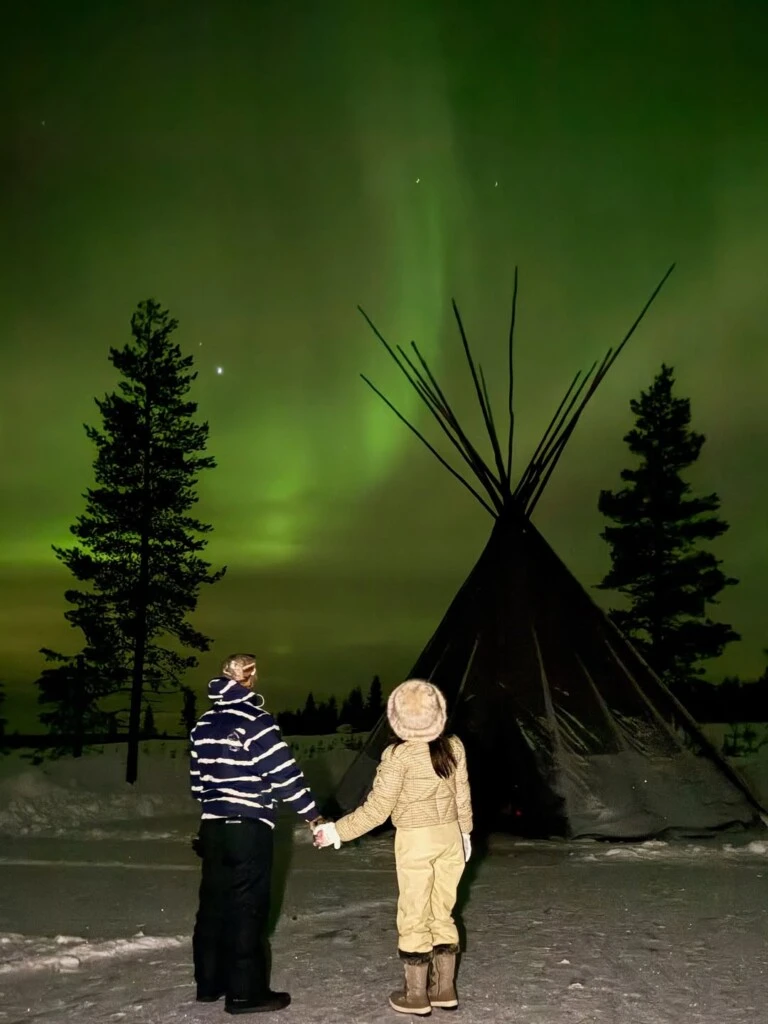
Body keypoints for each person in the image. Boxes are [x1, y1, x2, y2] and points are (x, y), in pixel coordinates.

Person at [314, 679, 473, 1016]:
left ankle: (416, 996)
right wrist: (465, 833)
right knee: (442, 910)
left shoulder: (398, 755)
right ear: (438, 714)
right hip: (450, 837)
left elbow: (377, 809)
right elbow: (462, 795)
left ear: (398, 719)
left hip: (417, 839)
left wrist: (337, 831)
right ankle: (445, 989)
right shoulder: (454, 746)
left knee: (414, 913)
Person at [190, 653, 324, 1015]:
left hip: (213, 826)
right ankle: (245, 994)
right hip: (248, 827)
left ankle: (209, 983)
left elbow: (197, 784)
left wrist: (214, 807)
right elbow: (284, 775)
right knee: (247, 906)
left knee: (213, 904)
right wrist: (312, 815)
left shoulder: (202, 725)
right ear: (249, 679)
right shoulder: (257, 722)